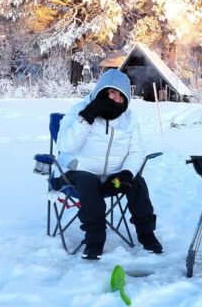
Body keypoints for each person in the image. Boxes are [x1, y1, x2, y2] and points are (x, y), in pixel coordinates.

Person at [55, 68, 162, 260]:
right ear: (101, 91)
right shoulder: (79, 110)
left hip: (112, 179)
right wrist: (86, 117)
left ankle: (147, 234)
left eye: (121, 95)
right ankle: (94, 240)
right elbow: (65, 145)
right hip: (77, 172)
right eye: (111, 92)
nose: (116, 99)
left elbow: (136, 151)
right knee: (89, 183)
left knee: (137, 183)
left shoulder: (128, 119)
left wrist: (127, 173)